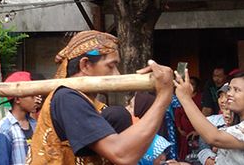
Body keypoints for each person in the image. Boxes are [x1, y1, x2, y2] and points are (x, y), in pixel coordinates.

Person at [26, 30, 175, 165]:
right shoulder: (66, 97)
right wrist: (163, 98)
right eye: (111, 66)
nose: (117, 74)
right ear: (85, 65)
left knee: (118, 116)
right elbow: (122, 155)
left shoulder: (96, 107)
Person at [175, 70, 244, 164]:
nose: (229, 94)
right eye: (229, 89)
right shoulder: (232, 123)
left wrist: (185, 98)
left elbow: (214, 138)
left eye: (236, 90)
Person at [0, 71, 39, 165]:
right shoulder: (4, 129)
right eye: (32, 96)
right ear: (18, 99)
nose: (36, 100)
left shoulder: (36, 125)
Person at [197, 83, 232, 165]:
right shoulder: (210, 121)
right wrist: (209, 160)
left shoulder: (241, 123)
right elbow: (203, 147)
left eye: (226, 96)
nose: (222, 100)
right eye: (220, 96)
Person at [174, 76, 201, 160]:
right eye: (189, 83)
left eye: (193, 84)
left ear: (197, 86)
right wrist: (179, 128)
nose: (190, 86)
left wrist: (198, 130)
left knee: (195, 147)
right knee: (184, 147)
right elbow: (177, 113)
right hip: (183, 129)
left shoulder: (200, 97)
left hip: (196, 126)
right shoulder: (181, 96)